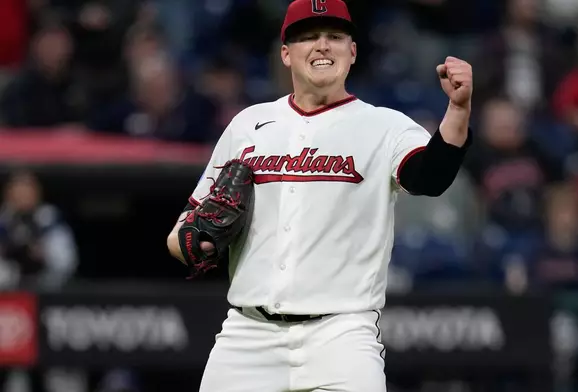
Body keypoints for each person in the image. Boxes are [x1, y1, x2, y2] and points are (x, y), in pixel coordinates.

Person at [166, 0, 472, 391]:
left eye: (334, 37)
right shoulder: (248, 125)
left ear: (353, 51)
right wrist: (191, 242)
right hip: (247, 335)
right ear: (286, 54)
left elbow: (430, 177)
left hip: (341, 337)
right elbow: (186, 226)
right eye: (308, 37)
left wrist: (458, 110)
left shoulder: (385, 126)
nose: (322, 46)